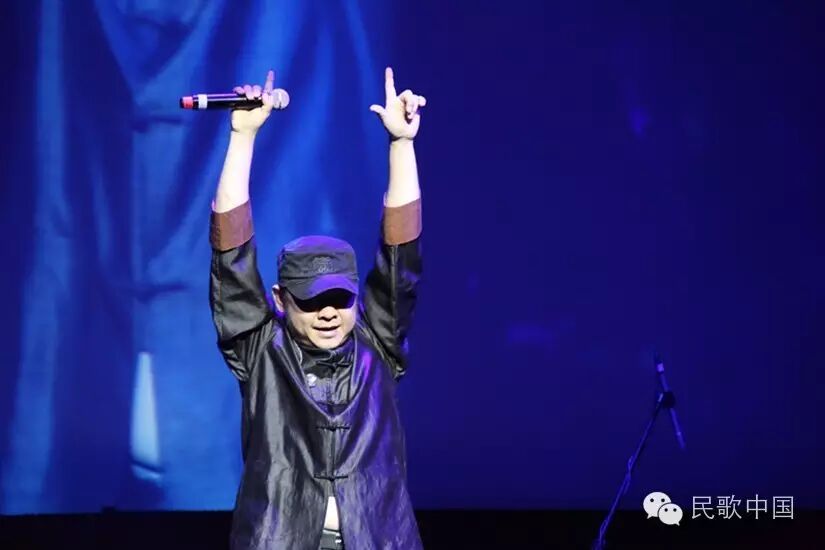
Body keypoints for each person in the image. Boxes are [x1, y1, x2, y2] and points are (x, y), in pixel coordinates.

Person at [209, 68, 426, 550]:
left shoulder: (377, 343)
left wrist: (401, 144)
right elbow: (230, 257)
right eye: (311, 301)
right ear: (280, 300)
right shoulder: (262, 350)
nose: (328, 313)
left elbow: (401, 256)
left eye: (339, 299)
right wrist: (243, 137)